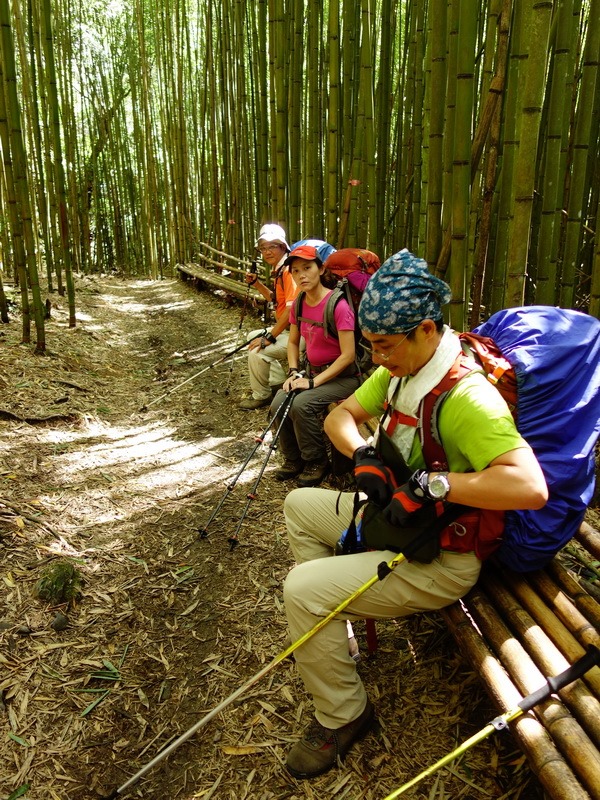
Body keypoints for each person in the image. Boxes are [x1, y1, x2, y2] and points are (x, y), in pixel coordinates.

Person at [280, 249, 548, 779]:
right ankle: (338, 630)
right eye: (372, 344)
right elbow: (342, 415)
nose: (376, 358)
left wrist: (435, 485)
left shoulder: (467, 396)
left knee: (302, 590)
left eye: (384, 345)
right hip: (398, 522)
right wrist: (362, 455)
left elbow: (529, 486)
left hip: (443, 553)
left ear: (426, 329)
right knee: (300, 506)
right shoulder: (404, 372)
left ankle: (343, 715)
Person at [270, 244, 361, 487]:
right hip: (313, 372)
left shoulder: (337, 305)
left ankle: (316, 462)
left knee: (302, 404)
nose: (302, 275)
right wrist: (292, 372)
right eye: (296, 271)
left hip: (343, 377)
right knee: (280, 400)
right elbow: (292, 342)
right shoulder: (300, 302)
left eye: (307, 268)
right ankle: (294, 459)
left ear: (321, 269)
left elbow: (348, 355)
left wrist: (312, 382)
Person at [239, 224, 299, 410]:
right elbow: (275, 300)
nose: (267, 251)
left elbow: (290, 311)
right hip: (290, 330)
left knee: (257, 352)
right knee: (252, 337)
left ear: (283, 246)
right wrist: (256, 284)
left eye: (272, 246)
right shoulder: (280, 270)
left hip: (301, 334)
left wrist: (269, 338)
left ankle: (261, 395)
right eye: (263, 248)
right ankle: (277, 381)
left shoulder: (290, 271)